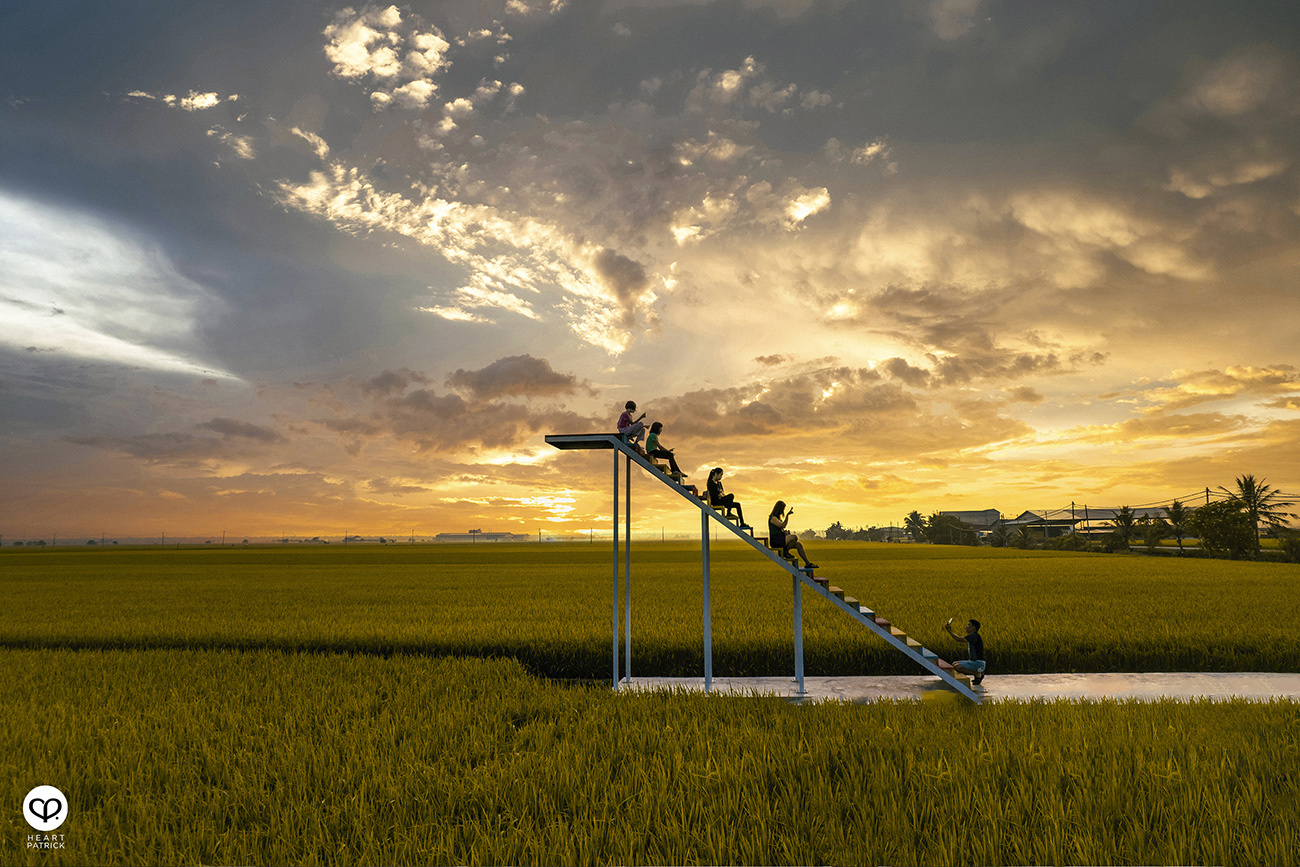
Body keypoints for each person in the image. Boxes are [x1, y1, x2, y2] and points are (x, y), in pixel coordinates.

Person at [769, 501, 817, 569]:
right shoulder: (773, 518)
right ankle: (785, 552)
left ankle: (807, 563)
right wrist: (787, 516)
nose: (782, 511)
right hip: (776, 540)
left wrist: (785, 533)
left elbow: (781, 528)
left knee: (799, 545)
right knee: (794, 537)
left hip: (781, 538)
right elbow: (782, 525)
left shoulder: (777, 518)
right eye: (782, 509)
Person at [943, 617, 986, 686]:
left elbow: (958, 639)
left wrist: (949, 630)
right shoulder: (973, 636)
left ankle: (977, 674)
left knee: (957, 667)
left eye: (969, 625)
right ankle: (977, 674)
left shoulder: (974, 636)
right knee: (954, 664)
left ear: (973, 628)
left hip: (978, 663)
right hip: (974, 662)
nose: (966, 626)